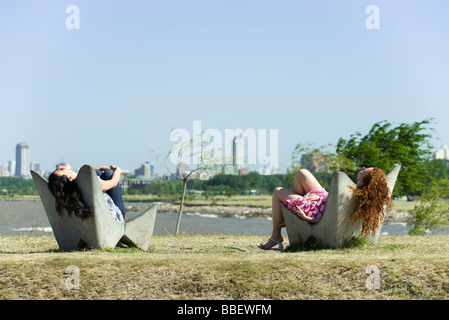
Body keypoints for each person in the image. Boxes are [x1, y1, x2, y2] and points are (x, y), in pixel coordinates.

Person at [258, 167, 392, 250]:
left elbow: (333, 220)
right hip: (323, 201)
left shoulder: (355, 197)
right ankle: (290, 216)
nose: (362, 167)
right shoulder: (358, 193)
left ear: (364, 181)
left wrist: (306, 217)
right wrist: (322, 199)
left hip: (316, 210)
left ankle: (276, 235)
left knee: (277, 191)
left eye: (364, 170)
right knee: (302, 173)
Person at [47, 163, 126, 223]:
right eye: (60, 170)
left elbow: (92, 172)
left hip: (102, 218)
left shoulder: (74, 190)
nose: (59, 166)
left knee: (97, 171)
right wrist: (117, 169)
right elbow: (113, 183)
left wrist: (101, 168)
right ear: (70, 178)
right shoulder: (89, 182)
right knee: (110, 173)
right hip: (115, 219)